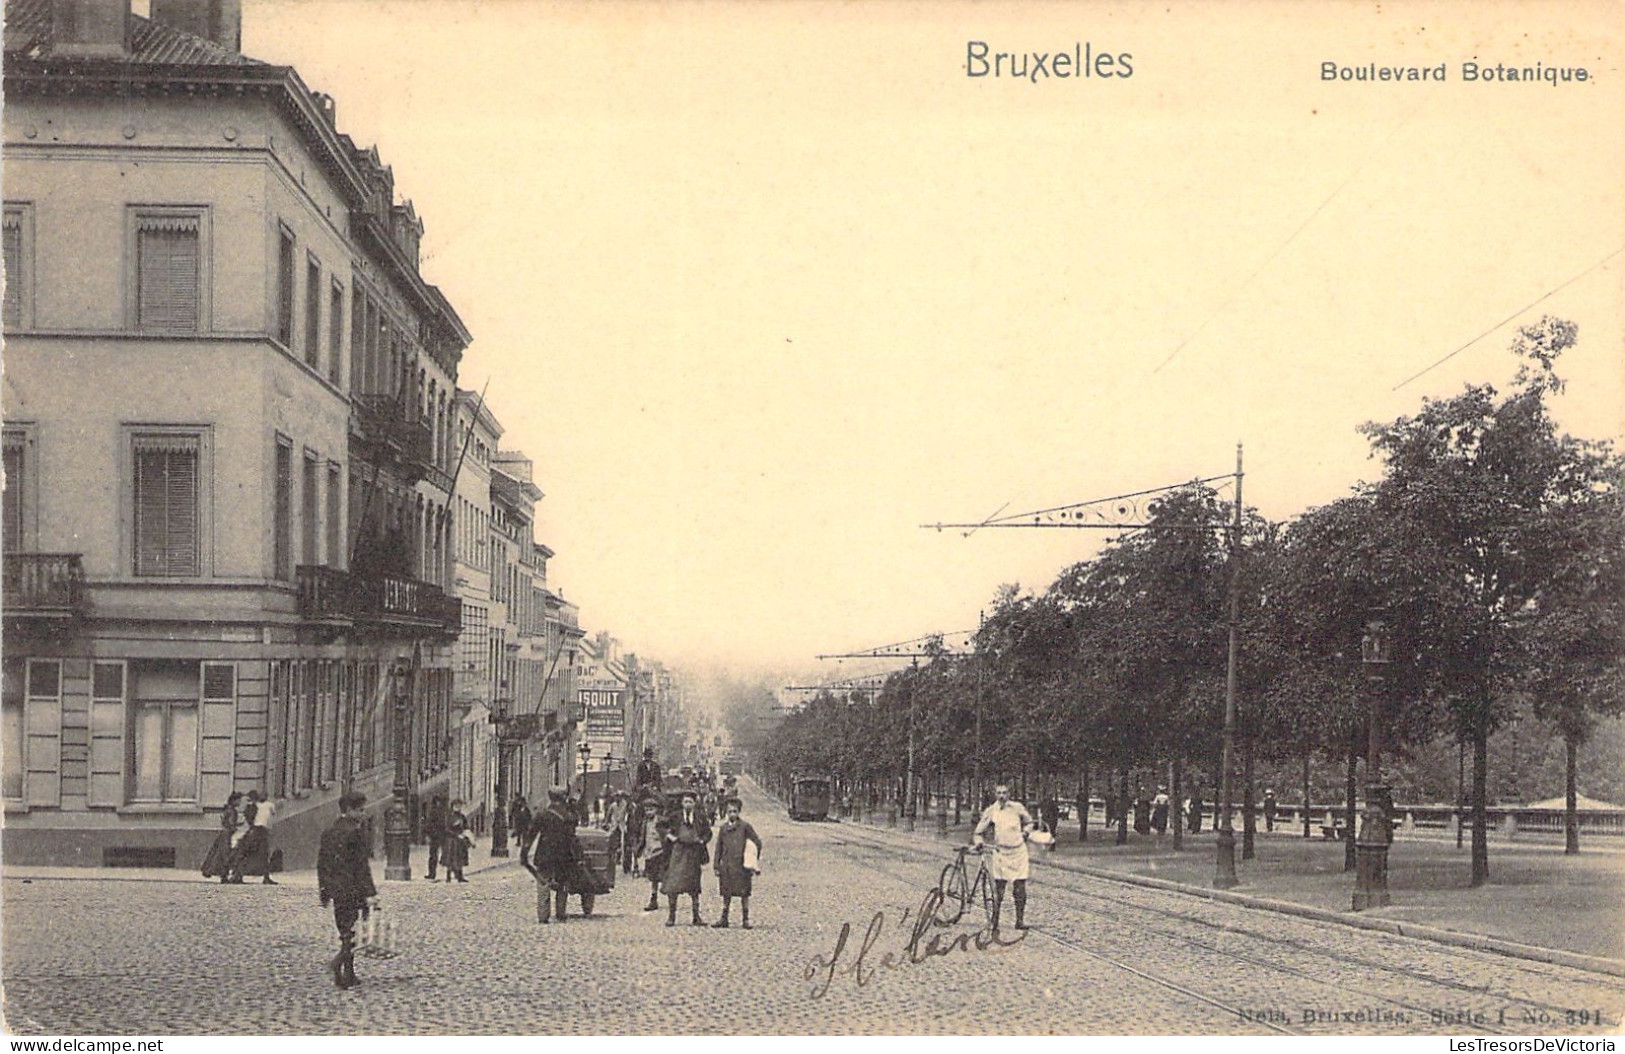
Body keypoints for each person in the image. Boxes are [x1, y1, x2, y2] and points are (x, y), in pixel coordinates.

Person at [317, 791, 378, 990]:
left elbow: (322, 863)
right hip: (353, 888)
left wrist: (324, 889)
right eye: (360, 810)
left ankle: (349, 974)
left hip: (336, 888)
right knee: (354, 931)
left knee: (345, 930)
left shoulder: (329, 832)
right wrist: (370, 892)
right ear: (349, 810)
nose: (363, 813)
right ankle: (338, 963)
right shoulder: (357, 833)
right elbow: (361, 866)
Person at [973, 784, 1033, 931]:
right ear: (995, 794)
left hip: (1018, 852)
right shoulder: (991, 811)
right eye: (999, 793)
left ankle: (1019, 921)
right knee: (998, 889)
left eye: (1004, 793)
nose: (1002, 796)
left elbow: (1030, 822)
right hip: (1001, 853)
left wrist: (1025, 833)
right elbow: (978, 832)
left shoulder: (1017, 808)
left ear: (1009, 794)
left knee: (1020, 888)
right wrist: (979, 843)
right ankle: (995, 921)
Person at [526, 788, 578, 924]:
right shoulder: (568, 817)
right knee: (562, 885)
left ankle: (543, 915)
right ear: (563, 799)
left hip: (544, 855)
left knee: (543, 884)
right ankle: (561, 913)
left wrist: (524, 853)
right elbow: (573, 838)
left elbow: (531, 835)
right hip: (563, 856)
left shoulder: (542, 815)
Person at [711, 797, 763, 929]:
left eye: (735, 811)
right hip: (727, 866)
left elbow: (757, 842)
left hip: (742, 866)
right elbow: (719, 847)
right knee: (726, 893)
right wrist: (716, 865)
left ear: (739, 812)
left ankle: (745, 919)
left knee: (744, 893)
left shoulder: (745, 827)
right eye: (730, 811)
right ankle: (724, 918)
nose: (732, 814)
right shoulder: (723, 828)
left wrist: (752, 860)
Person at [662, 791, 711, 926]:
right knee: (673, 885)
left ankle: (696, 916)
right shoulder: (675, 816)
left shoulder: (700, 817)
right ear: (682, 803)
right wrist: (670, 837)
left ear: (695, 804)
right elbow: (661, 826)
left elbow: (708, 833)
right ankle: (672, 916)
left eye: (690, 802)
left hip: (694, 853)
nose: (688, 804)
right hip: (678, 853)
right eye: (685, 802)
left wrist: (702, 841)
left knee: (694, 886)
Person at [201, 791, 244, 884]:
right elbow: (230, 823)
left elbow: (225, 821)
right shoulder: (232, 811)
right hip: (227, 834)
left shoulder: (227, 809)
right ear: (234, 801)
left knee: (221, 855)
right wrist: (236, 827)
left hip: (224, 833)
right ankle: (224, 875)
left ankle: (222, 875)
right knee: (225, 855)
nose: (240, 803)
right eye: (239, 800)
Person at [237, 789, 277, 884]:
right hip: (257, 830)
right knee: (251, 853)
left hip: (261, 830)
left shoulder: (268, 805)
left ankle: (265, 876)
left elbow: (272, 816)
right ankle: (239, 875)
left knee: (263, 854)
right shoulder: (256, 806)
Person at [639, 795, 670, 909]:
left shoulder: (662, 821)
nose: (649, 812)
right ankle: (653, 898)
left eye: (651, 810)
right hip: (649, 853)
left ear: (656, 810)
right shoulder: (645, 823)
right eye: (647, 810)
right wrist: (639, 849)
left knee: (663, 875)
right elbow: (643, 837)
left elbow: (668, 832)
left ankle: (670, 895)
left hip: (660, 852)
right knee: (653, 878)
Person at [442, 799, 470, 883]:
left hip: (460, 841)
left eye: (459, 806)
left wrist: (466, 834)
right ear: (452, 807)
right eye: (456, 806)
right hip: (451, 840)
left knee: (460, 858)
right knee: (450, 859)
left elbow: (466, 827)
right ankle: (448, 877)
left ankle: (460, 876)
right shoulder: (449, 816)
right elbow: (446, 829)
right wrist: (456, 835)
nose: (458, 807)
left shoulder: (462, 816)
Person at [422, 796, 445, 880]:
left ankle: (432, 873)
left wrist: (428, 834)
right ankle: (434, 873)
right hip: (439, 836)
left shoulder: (433, 812)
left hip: (435, 836)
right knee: (436, 855)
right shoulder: (441, 812)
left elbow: (429, 825)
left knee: (433, 855)